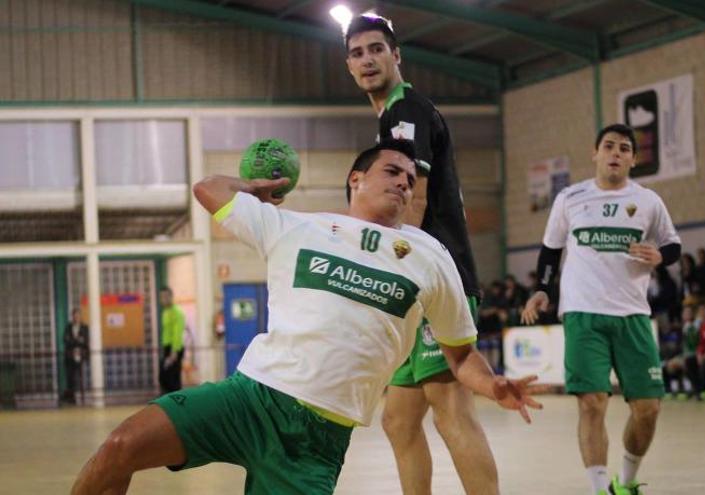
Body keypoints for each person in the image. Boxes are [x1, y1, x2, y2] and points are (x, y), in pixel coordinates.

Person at [70, 140, 543, 495]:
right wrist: (256, 189)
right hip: (249, 400)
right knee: (119, 448)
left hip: (317, 439)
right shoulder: (297, 227)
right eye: (392, 171)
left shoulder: (431, 256)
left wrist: (494, 385)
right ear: (355, 179)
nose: (403, 182)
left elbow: (460, 357)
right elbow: (208, 189)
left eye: (410, 180)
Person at [344, 14, 498, 494]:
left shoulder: (405, 109)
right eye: (357, 53)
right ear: (348, 65)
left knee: (451, 409)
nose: (367, 60)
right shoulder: (391, 115)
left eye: (376, 49)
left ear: (396, 56)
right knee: (399, 419)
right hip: (416, 280)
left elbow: (415, 197)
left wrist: (391, 271)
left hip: (433, 278)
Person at [521, 124, 681, 495]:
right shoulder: (570, 198)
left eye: (624, 148)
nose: (616, 153)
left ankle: (625, 482)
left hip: (633, 316)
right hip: (583, 313)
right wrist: (543, 289)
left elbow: (673, 245)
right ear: (595, 153)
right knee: (592, 404)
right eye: (608, 146)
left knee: (648, 409)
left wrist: (660, 255)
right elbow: (550, 249)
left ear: (633, 159)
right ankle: (599, 489)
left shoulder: (648, 201)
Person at [158, 286, 185, 394]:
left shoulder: (177, 312)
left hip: (174, 349)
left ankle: (176, 403)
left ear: (171, 297)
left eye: (165, 296)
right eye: (161, 297)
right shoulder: (165, 312)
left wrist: (174, 352)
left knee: (172, 379)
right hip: (167, 347)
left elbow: (177, 333)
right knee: (164, 377)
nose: (163, 299)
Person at [62, 308, 89, 405]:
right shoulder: (68, 327)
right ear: (72, 316)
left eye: (78, 315)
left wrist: (74, 341)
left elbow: (85, 341)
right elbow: (65, 340)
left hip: (80, 355)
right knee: (70, 377)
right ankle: (71, 398)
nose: (76, 317)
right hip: (70, 355)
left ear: (80, 316)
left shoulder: (85, 327)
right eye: (75, 315)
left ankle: (82, 397)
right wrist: (77, 341)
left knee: (81, 377)